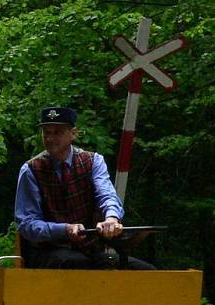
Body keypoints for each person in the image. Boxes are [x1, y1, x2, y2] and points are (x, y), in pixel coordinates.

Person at [14, 106, 153, 269]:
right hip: (49, 251)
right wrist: (64, 230)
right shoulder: (31, 170)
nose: (50, 138)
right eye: (46, 132)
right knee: (76, 263)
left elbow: (106, 195)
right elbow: (27, 223)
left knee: (143, 271)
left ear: (73, 133)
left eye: (57, 132)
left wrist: (111, 219)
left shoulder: (93, 161)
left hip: (90, 250)